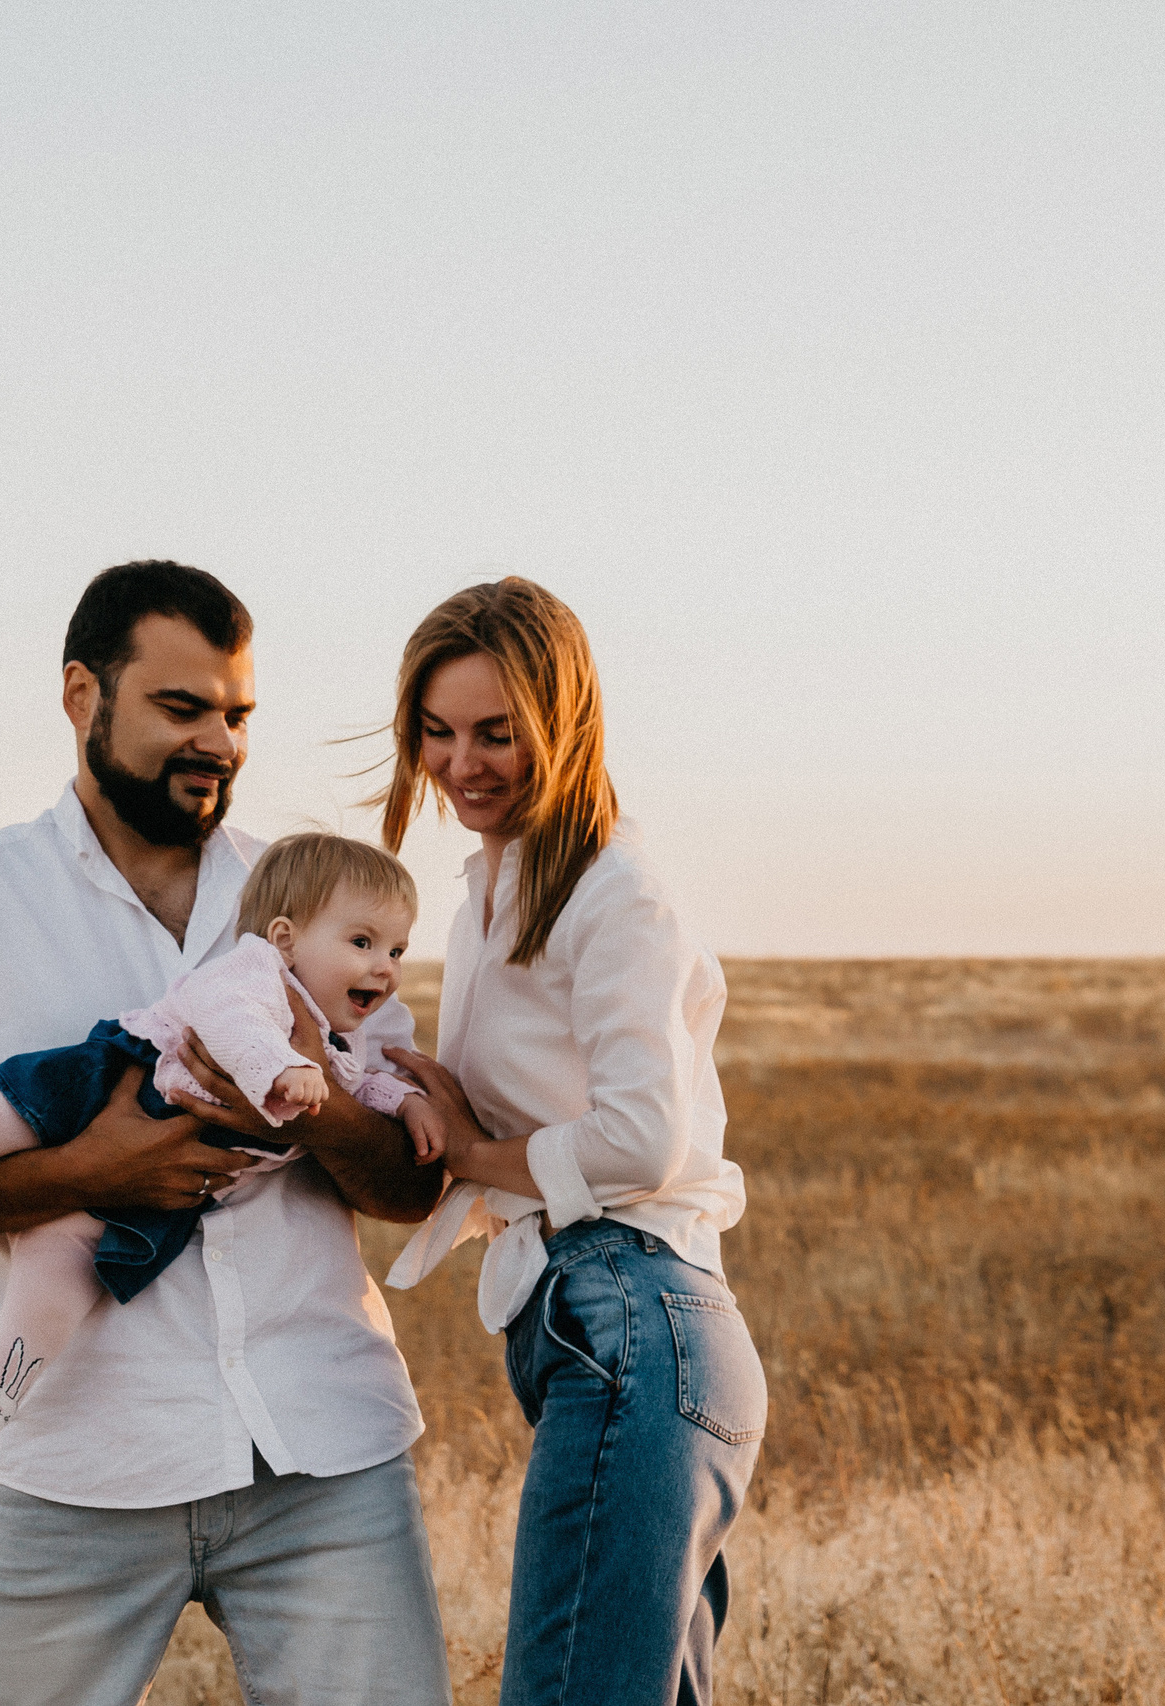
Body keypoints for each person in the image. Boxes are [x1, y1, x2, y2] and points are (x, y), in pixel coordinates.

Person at [0, 561, 454, 1706]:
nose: (217, 739)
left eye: (237, 713)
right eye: (181, 708)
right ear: (81, 696)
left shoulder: (314, 898)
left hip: (324, 1453)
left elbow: (410, 1187)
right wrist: (92, 1167)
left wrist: (302, 1090)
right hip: (73, 1467)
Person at [378, 578, 763, 1706]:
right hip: (601, 1324)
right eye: (437, 733)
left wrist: (464, 1149)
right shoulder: (488, 891)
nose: (462, 765)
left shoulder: (612, 890)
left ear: (563, 719)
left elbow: (641, 1138)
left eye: (496, 732)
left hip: (636, 1316)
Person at [0, 833, 445, 1529]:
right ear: (283, 937)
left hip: (145, 1202)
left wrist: (407, 1101)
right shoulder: (254, 974)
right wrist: (278, 1068)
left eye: (397, 950)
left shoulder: (337, 1037)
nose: (386, 968)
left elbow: (360, 1089)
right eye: (363, 942)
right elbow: (222, 1013)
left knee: (45, 1313)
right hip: (112, 1086)